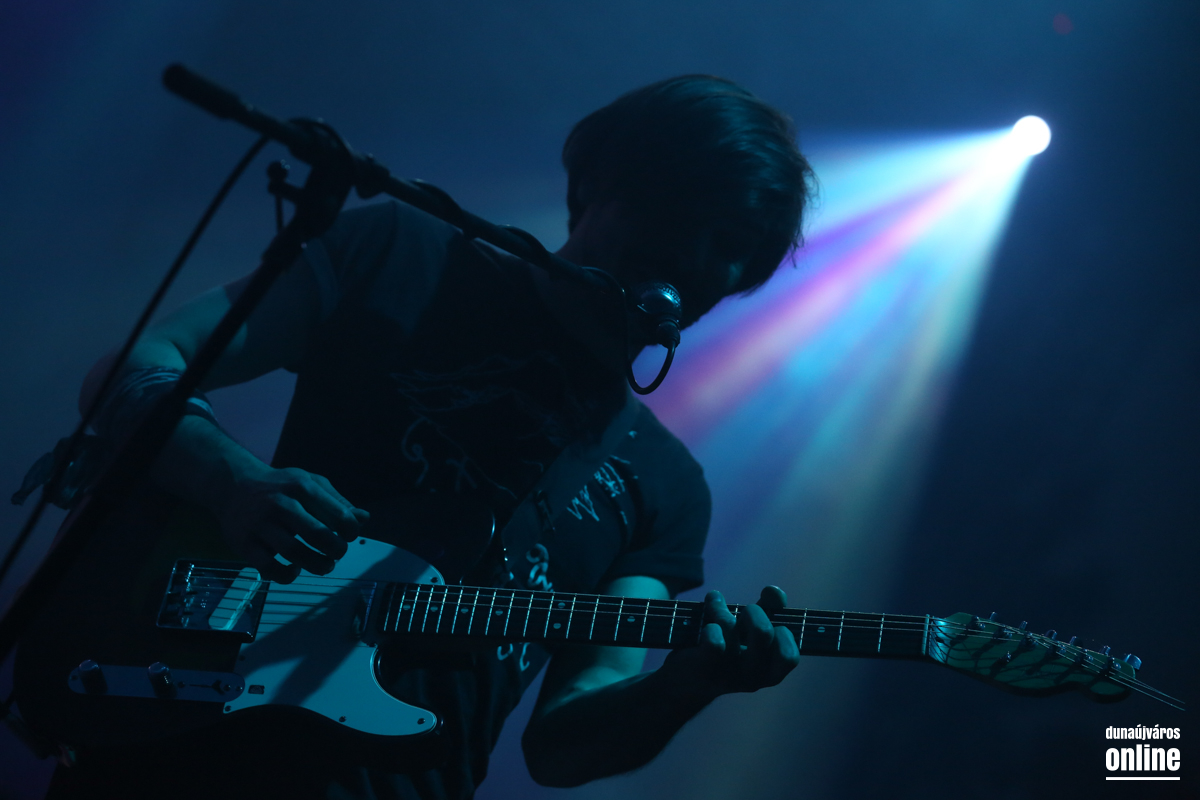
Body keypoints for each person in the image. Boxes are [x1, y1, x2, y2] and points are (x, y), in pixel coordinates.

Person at [46, 74, 816, 799]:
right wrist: (232, 482)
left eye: (731, 243)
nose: (695, 256)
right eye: (681, 212)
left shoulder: (665, 484)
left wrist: (685, 685)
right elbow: (137, 366)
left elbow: (561, 746)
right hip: (174, 749)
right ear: (598, 183)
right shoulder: (404, 255)